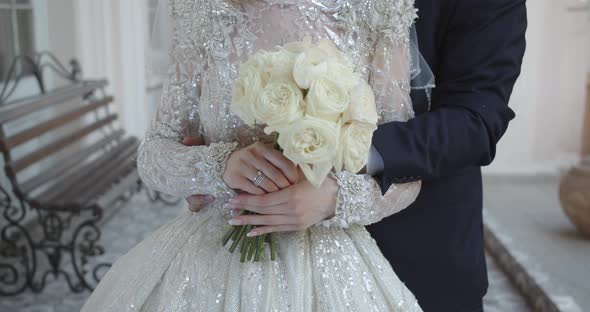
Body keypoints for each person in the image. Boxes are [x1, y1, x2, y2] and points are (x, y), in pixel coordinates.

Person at [81, 0, 429, 311]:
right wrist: (218, 167)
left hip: (331, 262)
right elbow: (155, 152)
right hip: (212, 254)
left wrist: (335, 199)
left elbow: (405, 174)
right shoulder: (201, 9)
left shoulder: (374, 10)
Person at [185, 1, 528, 311]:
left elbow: (475, 120)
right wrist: (214, 156)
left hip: (419, 249)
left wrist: (333, 161)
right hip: (269, 269)